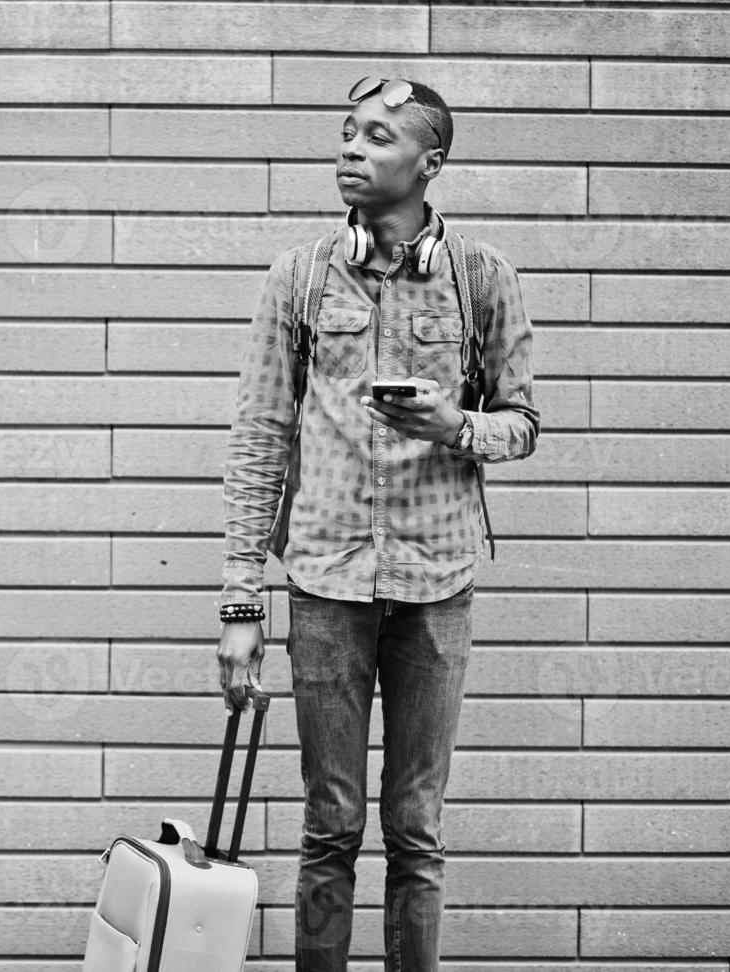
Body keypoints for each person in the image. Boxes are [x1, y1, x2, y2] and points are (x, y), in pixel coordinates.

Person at [215, 77, 541, 972]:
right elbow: (258, 441)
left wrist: (456, 426)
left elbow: (522, 422)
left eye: (378, 136)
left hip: (437, 586)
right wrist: (242, 603)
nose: (351, 149)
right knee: (329, 826)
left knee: (415, 831)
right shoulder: (301, 277)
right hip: (324, 585)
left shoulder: (482, 279)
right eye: (346, 133)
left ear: (429, 163)